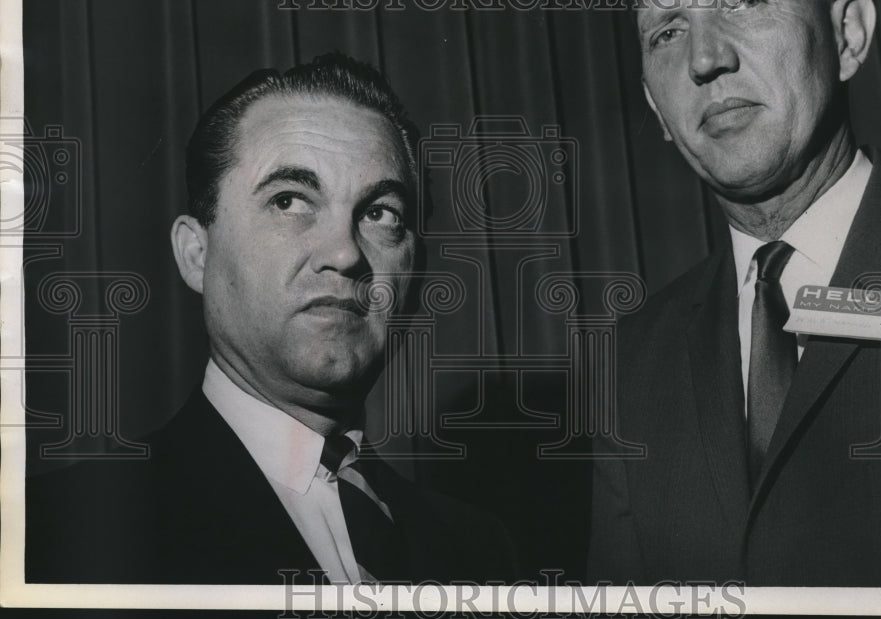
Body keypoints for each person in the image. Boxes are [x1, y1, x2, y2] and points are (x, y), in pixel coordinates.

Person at [588, 0, 881, 587]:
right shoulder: (634, 362)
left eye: (744, 1)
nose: (705, 59)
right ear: (655, 105)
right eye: (667, 31)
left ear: (848, 35)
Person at [26, 52, 516, 584]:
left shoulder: (481, 551)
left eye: (380, 214)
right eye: (289, 201)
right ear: (197, 253)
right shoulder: (56, 534)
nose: (345, 253)